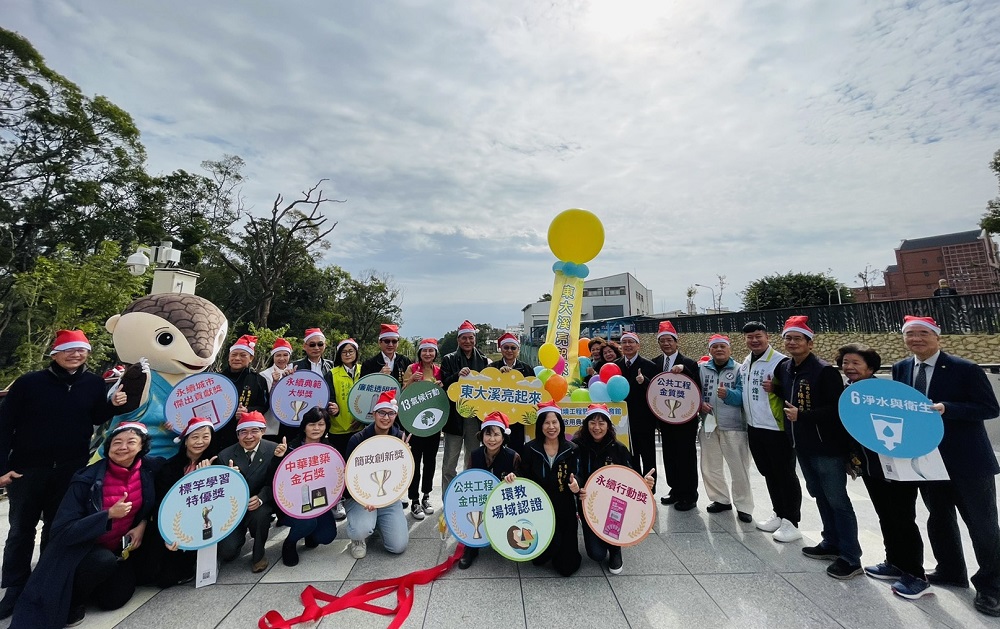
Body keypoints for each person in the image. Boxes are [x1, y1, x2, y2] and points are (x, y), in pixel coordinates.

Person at [0, 329, 128, 619]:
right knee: (21, 529)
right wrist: (2, 467)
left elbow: (96, 418)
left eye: (82, 350)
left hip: (71, 469)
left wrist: (112, 405)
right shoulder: (29, 383)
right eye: (69, 350)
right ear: (55, 354)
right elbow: (4, 425)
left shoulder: (93, 383)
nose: (76, 354)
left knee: (58, 529)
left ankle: (46, 580)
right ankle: (15, 586)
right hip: (27, 469)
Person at [894, 315, 1000, 615]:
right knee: (939, 519)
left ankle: (992, 586)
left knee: (982, 525)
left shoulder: (964, 368)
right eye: (910, 334)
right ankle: (951, 570)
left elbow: (989, 408)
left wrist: (947, 409)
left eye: (923, 334)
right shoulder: (902, 368)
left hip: (968, 461)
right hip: (927, 460)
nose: (916, 339)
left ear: (936, 337)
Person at [10, 422, 159, 629]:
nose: (123, 447)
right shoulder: (86, 479)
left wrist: (142, 523)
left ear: (142, 447)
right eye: (117, 442)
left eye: (131, 442)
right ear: (107, 447)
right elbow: (62, 531)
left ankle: (91, 585)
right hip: (82, 552)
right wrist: (107, 515)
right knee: (102, 561)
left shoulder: (148, 469)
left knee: (114, 600)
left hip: (118, 548)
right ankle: (73, 598)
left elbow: (176, 469)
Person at [838, 344, 931, 598]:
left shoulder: (886, 394)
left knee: (902, 518)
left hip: (897, 467)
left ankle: (915, 575)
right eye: (845, 363)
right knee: (885, 515)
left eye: (856, 363)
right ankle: (894, 562)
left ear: (870, 367)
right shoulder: (849, 392)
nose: (849, 367)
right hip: (871, 466)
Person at [774, 316, 857, 577]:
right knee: (819, 495)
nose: (792, 342)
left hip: (826, 447)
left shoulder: (824, 371)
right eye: (788, 338)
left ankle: (851, 556)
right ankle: (830, 541)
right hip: (802, 445)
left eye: (797, 338)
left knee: (837, 500)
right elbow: (786, 393)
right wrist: (774, 390)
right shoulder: (785, 368)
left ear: (809, 342)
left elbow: (837, 409)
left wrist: (804, 416)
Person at [738, 321, 801, 543]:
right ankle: (779, 513)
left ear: (767, 337)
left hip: (776, 428)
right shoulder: (746, 363)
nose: (754, 340)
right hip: (755, 427)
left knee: (785, 474)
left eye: (758, 336)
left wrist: (776, 388)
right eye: (749, 337)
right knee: (768, 472)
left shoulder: (780, 362)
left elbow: (794, 390)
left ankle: (792, 522)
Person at [574, 404, 654, 574]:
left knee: (611, 536)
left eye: (602, 423)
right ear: (586, 424)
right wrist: (578, 486)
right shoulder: (576, 446)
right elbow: (575, 472)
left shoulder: (619, 448)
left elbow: (632, 477)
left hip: (613, 505)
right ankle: (595, 534)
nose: (597, 427)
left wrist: (644, 483)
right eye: (593, 423)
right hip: (588, 503)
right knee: (596, 555)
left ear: (608, 425)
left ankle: (616, 548)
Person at [148, 417, 217, 587]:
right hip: (175, 522)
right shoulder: (169, 467)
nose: (200, 442)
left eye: (205, 437)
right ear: (185, 441)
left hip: (205, 522)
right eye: (194, 437)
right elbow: (161, 503)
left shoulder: (217, 462)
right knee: (159, 576)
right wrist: (167, 532)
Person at [344, 390, 410, 560]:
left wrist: (405, 456)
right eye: (381, 412)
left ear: (396, 415)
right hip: (361, 498)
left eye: (391, 413)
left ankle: (379, 523)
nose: (386, 418)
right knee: (362, 529)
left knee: (398, 546)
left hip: (387, 497)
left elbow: (401, 474)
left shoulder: (400, 437)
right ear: (374, 413)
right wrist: (362, 497)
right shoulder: (357, 439)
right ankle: (358, 539)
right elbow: (349, 476)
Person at [518, 402, 581, 577]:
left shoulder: (572, 449)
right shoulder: (530, 448)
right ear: (540, 426)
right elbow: (523, 474)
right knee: (540, 558)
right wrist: (512, 477)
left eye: (555, 422)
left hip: (565, 507)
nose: (551, 427)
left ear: (561, 424)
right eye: (546, 423)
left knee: (567, 568)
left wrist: (577, 484)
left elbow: (579, 474)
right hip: (539, 508)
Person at [217, 412, 283, 573]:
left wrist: (261, 498)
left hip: (261, 503)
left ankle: (259, 555)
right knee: (227, 551)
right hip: (234, 508)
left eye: (254, 431)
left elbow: (276, 481)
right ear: (237, 434)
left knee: (260, 515)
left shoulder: (274, 450)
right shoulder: (225, 456)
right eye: (243, 432)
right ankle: (237, 541)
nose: (249, 436)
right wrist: (228, 478)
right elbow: (220, 491)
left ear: (263, 431)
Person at [697, 335, 753, 523]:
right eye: (715, 347)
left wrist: (729, 394)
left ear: (729, 350)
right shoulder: (702, 369)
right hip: (709, 425)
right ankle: (720, 499)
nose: (719, 350)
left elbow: (744, 396)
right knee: (710, 466)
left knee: (739, 468)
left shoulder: (740, 369)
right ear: (710, 350)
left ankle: (744, 506)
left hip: (734, 425)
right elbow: (694, 392)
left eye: (723, 347)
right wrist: (699, 405)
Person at [274, 407, 339, 567]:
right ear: (304, 426)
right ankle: (290, 542)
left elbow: (336, 478)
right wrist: (277, 458)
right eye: (312, 424)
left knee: (327, 536)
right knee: (307, 522)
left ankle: (310, 534)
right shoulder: (289, 448)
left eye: (321, 424)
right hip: (293, 503)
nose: (316, 429)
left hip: (319, 502)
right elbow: (274, 479)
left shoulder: (330, 450)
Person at [458, 411, 521, 570]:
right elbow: (468, 480)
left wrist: (515, 477)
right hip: (481, 501)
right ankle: (471, 548)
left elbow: (523, 483)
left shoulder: (513, 456)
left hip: (505, 503)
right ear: (482, 436)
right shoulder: (475, 455)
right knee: (471, 511)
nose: (492, 439)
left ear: (503, 436)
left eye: (496, 435)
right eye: (488, 434)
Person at [649, 321, 701, 511]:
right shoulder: (654, 363)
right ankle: (675, 490)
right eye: (662, 341)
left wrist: (684, 371)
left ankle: (689, 494)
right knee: (669, 455)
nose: (666, 344)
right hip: (664, 418)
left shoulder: (689, 363)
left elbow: (696, 388)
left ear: (676, 342)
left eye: (669, 340)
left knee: (686, 455)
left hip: (685, 419)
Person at [441, 320, 489, 494]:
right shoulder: (448, 359)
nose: (467, 341)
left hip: (474, 419)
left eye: (471, 338)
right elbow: (444, 384)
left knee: (472, 459)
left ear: (475, 339)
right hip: (454, 418)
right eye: (464, 338)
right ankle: (448, 495)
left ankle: (467, 495)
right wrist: (457, 376)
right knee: (449, 463)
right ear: (458, 340)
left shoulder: (484, 361)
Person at [401, 338, 443, 521]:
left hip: (433, 423)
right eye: (424, 351)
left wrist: (442, 386)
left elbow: (443, 395)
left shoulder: (439, 370)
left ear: (435, 353)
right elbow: (402, 393)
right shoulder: (412, 369)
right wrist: (411, 380)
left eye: (431, 351)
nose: (428, 354)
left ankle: (426, 495)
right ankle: (414, 499)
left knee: (430, 461)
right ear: (419, 353)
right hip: (414, 423)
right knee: (415, 462)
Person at [614, 332, 658, 487]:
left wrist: (644, 381)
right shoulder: (615, 365)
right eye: (624, 342)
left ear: (638, 345)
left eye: (631, 342)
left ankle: (649, 490)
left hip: (644, 420)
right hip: (622, 422)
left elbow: (657, 392)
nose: (627, 345)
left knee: (648, 457)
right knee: (629, 457)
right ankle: (634, 488)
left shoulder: (649, 366)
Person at [326, 338, 361, 521]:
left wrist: (361, 418)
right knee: (339, 466)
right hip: (338, 428)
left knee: (357, 464)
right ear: (339, 355)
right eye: (344, 352)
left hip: (359, 427)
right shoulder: (332, 373)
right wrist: (333, 407)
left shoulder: (364, 371)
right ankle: (338, 499)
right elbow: (329, 396)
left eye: (351, 351)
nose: (348, 354)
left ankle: (356, 496)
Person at [216, 335, 270, 452]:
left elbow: (264, 406)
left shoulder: (258, 380)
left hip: (246, 432)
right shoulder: (217, 379)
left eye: (242, 355)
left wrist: (248, 411)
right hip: (219, 431)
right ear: (228, 357)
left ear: (251, 358)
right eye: (234, 355)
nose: (237, 358)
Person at [488, 332, 535, 452]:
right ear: (501, 349)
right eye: (506, 347)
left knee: (517, 448)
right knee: (495, 448)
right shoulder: (492, 368)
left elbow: (533, 391)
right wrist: (499, 375)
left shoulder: (527, 369)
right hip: (497, 417)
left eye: (513, 348)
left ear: (518, 350)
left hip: (518, 418)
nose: (510, 350)